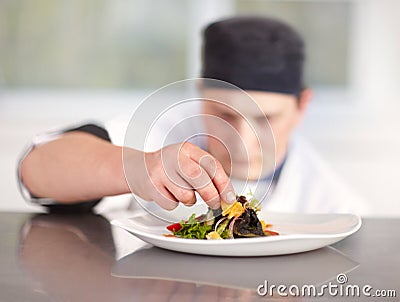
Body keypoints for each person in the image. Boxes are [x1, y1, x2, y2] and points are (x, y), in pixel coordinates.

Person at [18, 16, 369, 215]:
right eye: (225, 116)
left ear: (302, 106)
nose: (243, 143)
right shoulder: (158, 137)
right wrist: (138, 167)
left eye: (265, 120)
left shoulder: (334, 204)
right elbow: (35, 170)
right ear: (201, 94)